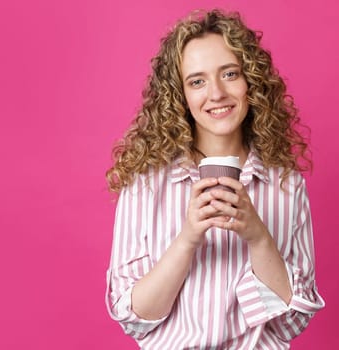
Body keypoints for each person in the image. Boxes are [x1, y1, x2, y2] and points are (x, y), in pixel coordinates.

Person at [104, 9, 324, 349]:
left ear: (251, 81)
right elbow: (133, 318)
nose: (217, 93)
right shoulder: (146, 184)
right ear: (180, 95)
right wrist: (188, 238)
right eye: (197, 81)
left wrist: (258, 236)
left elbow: (292, 323)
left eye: (230, 74)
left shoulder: (286, 184)